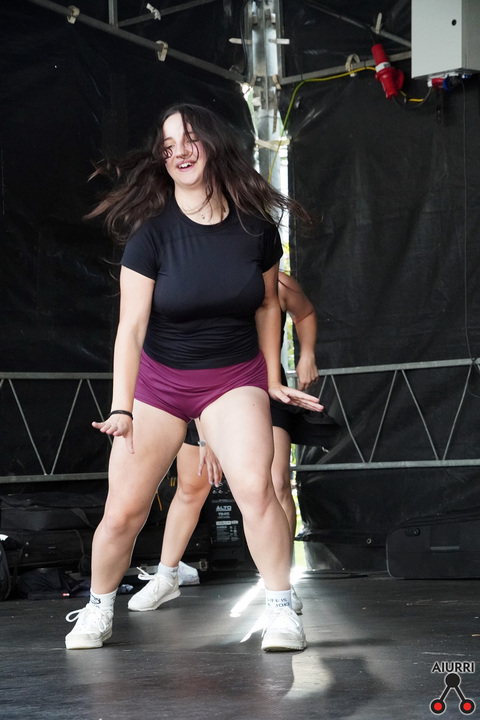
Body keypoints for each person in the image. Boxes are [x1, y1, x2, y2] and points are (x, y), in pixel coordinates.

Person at [64, 102, 323, 653]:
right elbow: (131, 329)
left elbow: (268, 305)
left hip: (233, 378)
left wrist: (270, 375)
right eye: (168, 145)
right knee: (124, 511)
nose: (179, 152)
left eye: (189, 140)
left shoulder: (255, 228)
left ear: (211, 143)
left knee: (256, 488)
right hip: (160, 384)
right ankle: (98, 607)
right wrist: (122, 407)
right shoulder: (151, 236)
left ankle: (281, 608)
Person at [126, 271, 322, 616]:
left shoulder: (278, 283)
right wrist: (207, 438)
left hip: (263, 389)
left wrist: (307, 354)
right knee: (192, 486)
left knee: (274, 483)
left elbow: (304, 313)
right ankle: (167, 575)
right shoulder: (207, 281)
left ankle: (280, 581)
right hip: (207, 392)